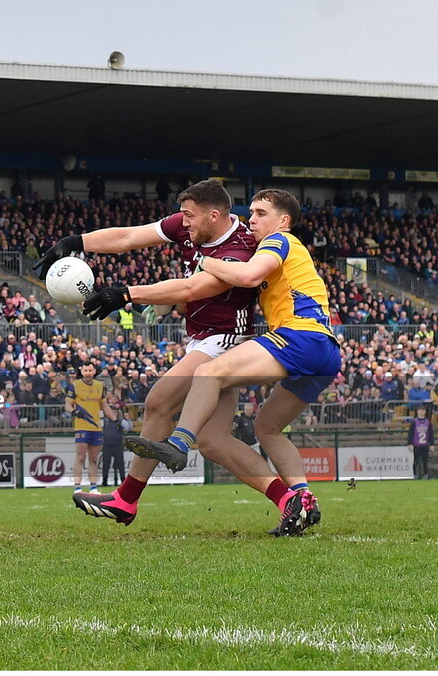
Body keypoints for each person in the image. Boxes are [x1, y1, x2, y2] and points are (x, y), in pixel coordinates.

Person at [39, 180, 294, 531]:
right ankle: (289, 498)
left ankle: (126, 499)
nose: (183, 223)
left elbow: (193, 288)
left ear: (214, 215)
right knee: (214, 442)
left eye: (189, 216)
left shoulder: (241, 248)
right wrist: (75, 243)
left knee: (159, 401)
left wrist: (125, 294)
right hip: (204, 340)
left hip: (226, 340)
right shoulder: (190, 225)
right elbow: (128, 238)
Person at [122, 188, 341, 536]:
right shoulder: (280, 248)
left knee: (209, 371)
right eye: (250, 213)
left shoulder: (278, 240)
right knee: (267, 427)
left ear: (282, 221)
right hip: (325, 351)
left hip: (301, 337)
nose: (251, 219)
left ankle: (178, 444)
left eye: (260, 213)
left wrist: (201, 258)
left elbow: (248, 276)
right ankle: (302, 500)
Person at [65, 363, 114, 493]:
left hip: (96, 427)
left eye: (90, 370)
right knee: (80, 457)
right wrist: (75, 412)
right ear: (82, 371)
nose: (87, 372)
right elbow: (68, 405)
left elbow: (105, 406)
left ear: (94, 372)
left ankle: (93, 486)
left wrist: (115, 420)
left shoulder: (99, 386)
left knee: (93, 458)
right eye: (85, 370)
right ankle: (77, 486)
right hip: (81, 427)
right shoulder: (75, 385)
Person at [101, 390, 129, 487]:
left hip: (117, 445)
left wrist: (127, 419)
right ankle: (104, 481)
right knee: (106, 465)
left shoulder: (120, 421)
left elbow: (128, 427)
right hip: (107, 446)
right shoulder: (104, 421)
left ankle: (123, 481)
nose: (113, 413)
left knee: (120, 465)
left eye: (115, 412)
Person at [408, 407, 433, 480]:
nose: (421, 412)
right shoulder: (414, 422)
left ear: (425, 412)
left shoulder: (428, 422)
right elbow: (411, 433)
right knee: (415, 460)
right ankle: (415, 475)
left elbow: (430, 433)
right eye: (420, 410)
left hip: (425, 445)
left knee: (425, 460)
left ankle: (425, 474)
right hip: (416, 444)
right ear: (417, 411)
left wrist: (431, 444)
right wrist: (410, 443)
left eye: (423, 410)